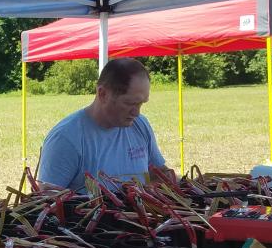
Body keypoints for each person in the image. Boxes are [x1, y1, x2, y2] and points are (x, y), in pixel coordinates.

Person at [38, 58, 172, 191]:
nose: (136, 113)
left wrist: (177, 182)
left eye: (141, 103)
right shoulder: (65, 139)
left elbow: (157, 173)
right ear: (102, 94)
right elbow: (47, 198)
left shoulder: (140, 125)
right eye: (129, 103)